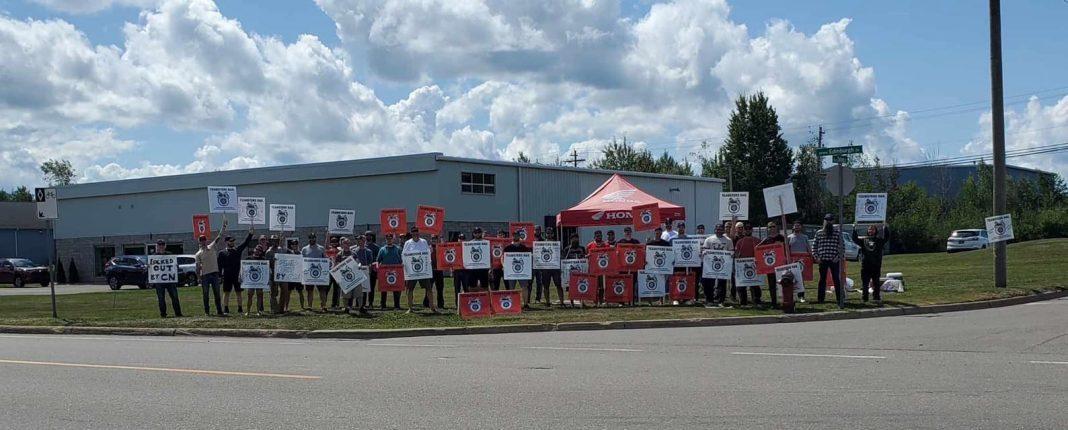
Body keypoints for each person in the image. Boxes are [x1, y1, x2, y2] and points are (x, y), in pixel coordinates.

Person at [194, 218, 227, 316]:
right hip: (205, 276)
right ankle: (207, 312)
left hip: (215, 274)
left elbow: (219, 237)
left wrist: (223, 227)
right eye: (201, 240)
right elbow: (197, 267)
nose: (203, 241)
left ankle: (219, 311)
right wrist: (198, 278)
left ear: (206, 240)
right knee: (206, 295)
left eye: (204, 239)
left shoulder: (211, 246)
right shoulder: (198, 254)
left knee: (217, 294)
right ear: (199, 242)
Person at [218, 227, 253, 315]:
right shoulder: (221, 253)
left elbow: (245, 243)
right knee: (226, 292)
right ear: (226, 242)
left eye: (233, 241)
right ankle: (225, 309)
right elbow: (219, 266)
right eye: (230, 241)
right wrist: (219, 276)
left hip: (237, 275)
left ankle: (240, 309)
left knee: (239, 292)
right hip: (227, 275)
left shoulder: (238, 250)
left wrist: (250, 234)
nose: (232, 242)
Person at [853, 223, 891, 304]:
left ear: (875, 231)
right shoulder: (863, 240)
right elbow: (855, 239)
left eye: (873, 229)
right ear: (867, 230)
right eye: (870, 229)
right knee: (865, 283)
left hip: (876, 265)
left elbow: (887, 237)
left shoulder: (879, 240)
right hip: (865, 265)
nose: (871, 231)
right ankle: (865, 298)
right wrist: (854, 229)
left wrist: (885, 227)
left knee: (876, 282)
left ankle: (876, 297)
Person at [403, 227, 437, 314]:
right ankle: (410, 308)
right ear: (411, 233)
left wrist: (428, 263)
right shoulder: (407, 243)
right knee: (410, 289)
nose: (415, 234)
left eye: (416, 232)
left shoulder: (424, 241)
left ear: (419, 232)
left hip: (423, 270)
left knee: (429, 289)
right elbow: (404, 255)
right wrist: (405, 265)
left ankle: (432, 307)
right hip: (411, 270)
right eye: (413, 232)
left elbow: (428, 253)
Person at [813, 214, 845, 308]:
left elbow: (842, 247)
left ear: (833, 221)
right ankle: (820, 299)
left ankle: (839, 299)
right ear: (824, 221)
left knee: (836, 280)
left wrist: (837, 257)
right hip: (822, 260)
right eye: (827, 220)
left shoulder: (838, 233)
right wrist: (816, 257)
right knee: (822, 280)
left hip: (834, 260)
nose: (828, 221)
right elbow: (814, 246)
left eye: (830, 220)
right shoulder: (819, 232)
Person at [702, 223, 733, 307]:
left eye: (720, 229)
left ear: (723, 230)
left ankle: (721, 301)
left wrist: (731, 254)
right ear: (714, 230)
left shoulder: (728, 240)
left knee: (722, 284)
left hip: (723, 265)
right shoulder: (709, 239)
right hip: (710, 265)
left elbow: (731, 252)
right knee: (709, 283)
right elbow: (704, 250)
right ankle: (709, 300)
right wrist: (704, 253)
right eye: (717, 229)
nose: (719, 231)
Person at [151, 239, 182, 318]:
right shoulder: (153, 257)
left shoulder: (170, 255)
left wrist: (176, 266)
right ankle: (163, 314)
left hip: (170, 280)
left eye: (162, 245)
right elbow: (151, 269)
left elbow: (175, 266)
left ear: (165, 246)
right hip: (159, 281)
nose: (161, 246)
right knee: (161, 298)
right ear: (157, 246)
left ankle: (178, 313)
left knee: (174, 297)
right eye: (159, 245)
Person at [757, 221, 786, 307]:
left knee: (782, 284)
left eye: (773, 226)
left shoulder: (782, 238)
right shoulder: (766, 239)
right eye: (770, 227)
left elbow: (787, 248)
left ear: (776, 227)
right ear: (768, 229)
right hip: (770, 266)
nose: (772, 228)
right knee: (772, 285)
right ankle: (774, 302)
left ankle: (784, 301)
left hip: (781, 265)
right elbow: (757, 248)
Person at [503, 233, 533, 308]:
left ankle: (525, 304)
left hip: (522, 271)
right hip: (510, 271)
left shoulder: (524, 248)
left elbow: (528, 258)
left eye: (517, 235)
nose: (515, 236)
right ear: (512, 236)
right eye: (514, 235)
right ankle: (511, 304)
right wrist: (504, 265)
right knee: (511, 288)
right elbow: (502, 257)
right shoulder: (507, 248)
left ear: (519, 237)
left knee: (524, 287)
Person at [732, 221, 758, 306]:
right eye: (746, 229)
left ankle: (756, 301)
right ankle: (743, 302)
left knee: (755, 284)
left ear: (752, 230)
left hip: (754, 265)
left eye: (749, 229)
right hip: (742, 265)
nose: (747, 230)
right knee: (741, 284)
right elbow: (736, 253)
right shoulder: (740, 241)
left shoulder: (757, 240)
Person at [375, 233, 403, 310]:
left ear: (393, 239)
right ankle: (383, 305)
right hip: (385, 273)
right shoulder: (382, 249)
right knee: (384, 288)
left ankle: (397, 305)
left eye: (390, 238)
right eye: (387, 239)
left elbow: (401, 260)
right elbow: (378, 260)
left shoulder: (398, 249)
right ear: (386, 239)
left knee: (396, 288)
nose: (389, 240)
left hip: (396, 272)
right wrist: (377, 267)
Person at [787, 221, 811, 302]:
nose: (797, 227)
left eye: (798, 226)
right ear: (793, 227)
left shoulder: (805, 237)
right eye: (795, 226)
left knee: (801, 279)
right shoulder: (789, 237)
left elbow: (809, 249)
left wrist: (811, 257)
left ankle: (801, 296)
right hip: (792, 262)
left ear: (801, 227)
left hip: (802, 262)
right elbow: (786, 250)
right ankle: (791, 296)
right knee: (791, 278)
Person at [300, 234, 326, 311]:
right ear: (308, 239)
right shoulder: (304, 249)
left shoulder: (321, 248)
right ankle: (310, 306)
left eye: (313, 238)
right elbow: (302, 260)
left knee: (322, 290)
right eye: (310, 238)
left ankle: (323, 306)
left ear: (315, 238)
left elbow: (325, 259)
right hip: (308, 273)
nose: (312, 239)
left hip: (320, 272)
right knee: (309, 291)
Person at [539, 228, 564, 307]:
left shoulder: (557, 244)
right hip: (545, 268)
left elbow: (561, 254)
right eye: (548, 233)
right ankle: (547, 302)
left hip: (555, 267)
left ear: (553, 234)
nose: (549, 235)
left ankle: (562, 302)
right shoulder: (541, 244)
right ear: (545, 234)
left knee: (559, 285)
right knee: (546, 286)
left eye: (550, 233)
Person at [351, 235, 376, 312]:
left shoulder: (368, 251)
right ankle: (357, 304)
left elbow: (370, 262)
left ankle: (364, 304)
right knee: (357, 288)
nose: (359, 242)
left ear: (364, 241)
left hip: (365, 271)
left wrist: (369, 268)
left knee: (365, 289)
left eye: (360, 240)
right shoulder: (354, 251)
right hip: (356, 271)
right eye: (358, 240)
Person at [562, 233, 587, 307]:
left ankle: (582, 301)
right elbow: (564, 259)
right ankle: (572, 302)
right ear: (571, 240)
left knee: (581, 285)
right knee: (570, 287)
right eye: (573, 238)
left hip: (580, 270)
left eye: (576, 238)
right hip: (571, 271)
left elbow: (584, 257)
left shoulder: (582, 248)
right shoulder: (567, 249)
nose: (575, 240)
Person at [277, 238, 302, 313]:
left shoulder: (300, 253)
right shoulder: (288, 252)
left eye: (296, 244)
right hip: (290, 275)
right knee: (288, 292)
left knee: (300, 292)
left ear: (297, 245)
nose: (294, 245)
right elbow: (281, 248)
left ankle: (303, 307)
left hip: (298, 275)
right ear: (291, 245)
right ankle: (286, 307)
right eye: (293, 244)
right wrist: (281, 238)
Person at [423, 234, 447, 310]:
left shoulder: (440, 247)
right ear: (431, 240)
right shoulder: (428, 248)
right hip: (431, 271)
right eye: (432, 239)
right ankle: (426, 303)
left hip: (439, 270)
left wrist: (442, 240)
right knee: (428, 288)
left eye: (435, 239)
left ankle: (440, 304)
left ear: (437, 240)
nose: (434, 240)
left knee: (440, 288)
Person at [244, 243, 268, 316]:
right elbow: (243, 269)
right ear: (254, 249)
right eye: (256, 249)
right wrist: (240, 275)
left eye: (259, 250)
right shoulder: (248, 258)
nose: (257, 251)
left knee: (259, 295)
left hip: (259, 280)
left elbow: (266, 270)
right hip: (250, 281)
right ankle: (248, 311)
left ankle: (258, 311)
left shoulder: (263, 260)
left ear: (261, 252)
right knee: (250, 295)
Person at [363, 231, 381, 311]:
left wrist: (375, 267)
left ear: (372, 236)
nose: (368, 237)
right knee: (363, 287)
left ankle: (370, 303)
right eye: (366, 235)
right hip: (362, 269)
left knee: (371, 288)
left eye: (369, 235)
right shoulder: (361, 246)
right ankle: (362, 303)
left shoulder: (376, 247)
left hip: (372, 270)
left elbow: (378, 259)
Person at [452, 232, 468, 301]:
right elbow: (452, 259)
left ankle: (467, 302)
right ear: (458, 239)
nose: (461, 240)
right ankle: (457, 304)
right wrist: (451, 268)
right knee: (457, 288)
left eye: (463, 239)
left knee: (466, 287)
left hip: (466, 270)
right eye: (460, 238)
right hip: (456, 270)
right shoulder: (454, 247)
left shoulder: (468, 247)